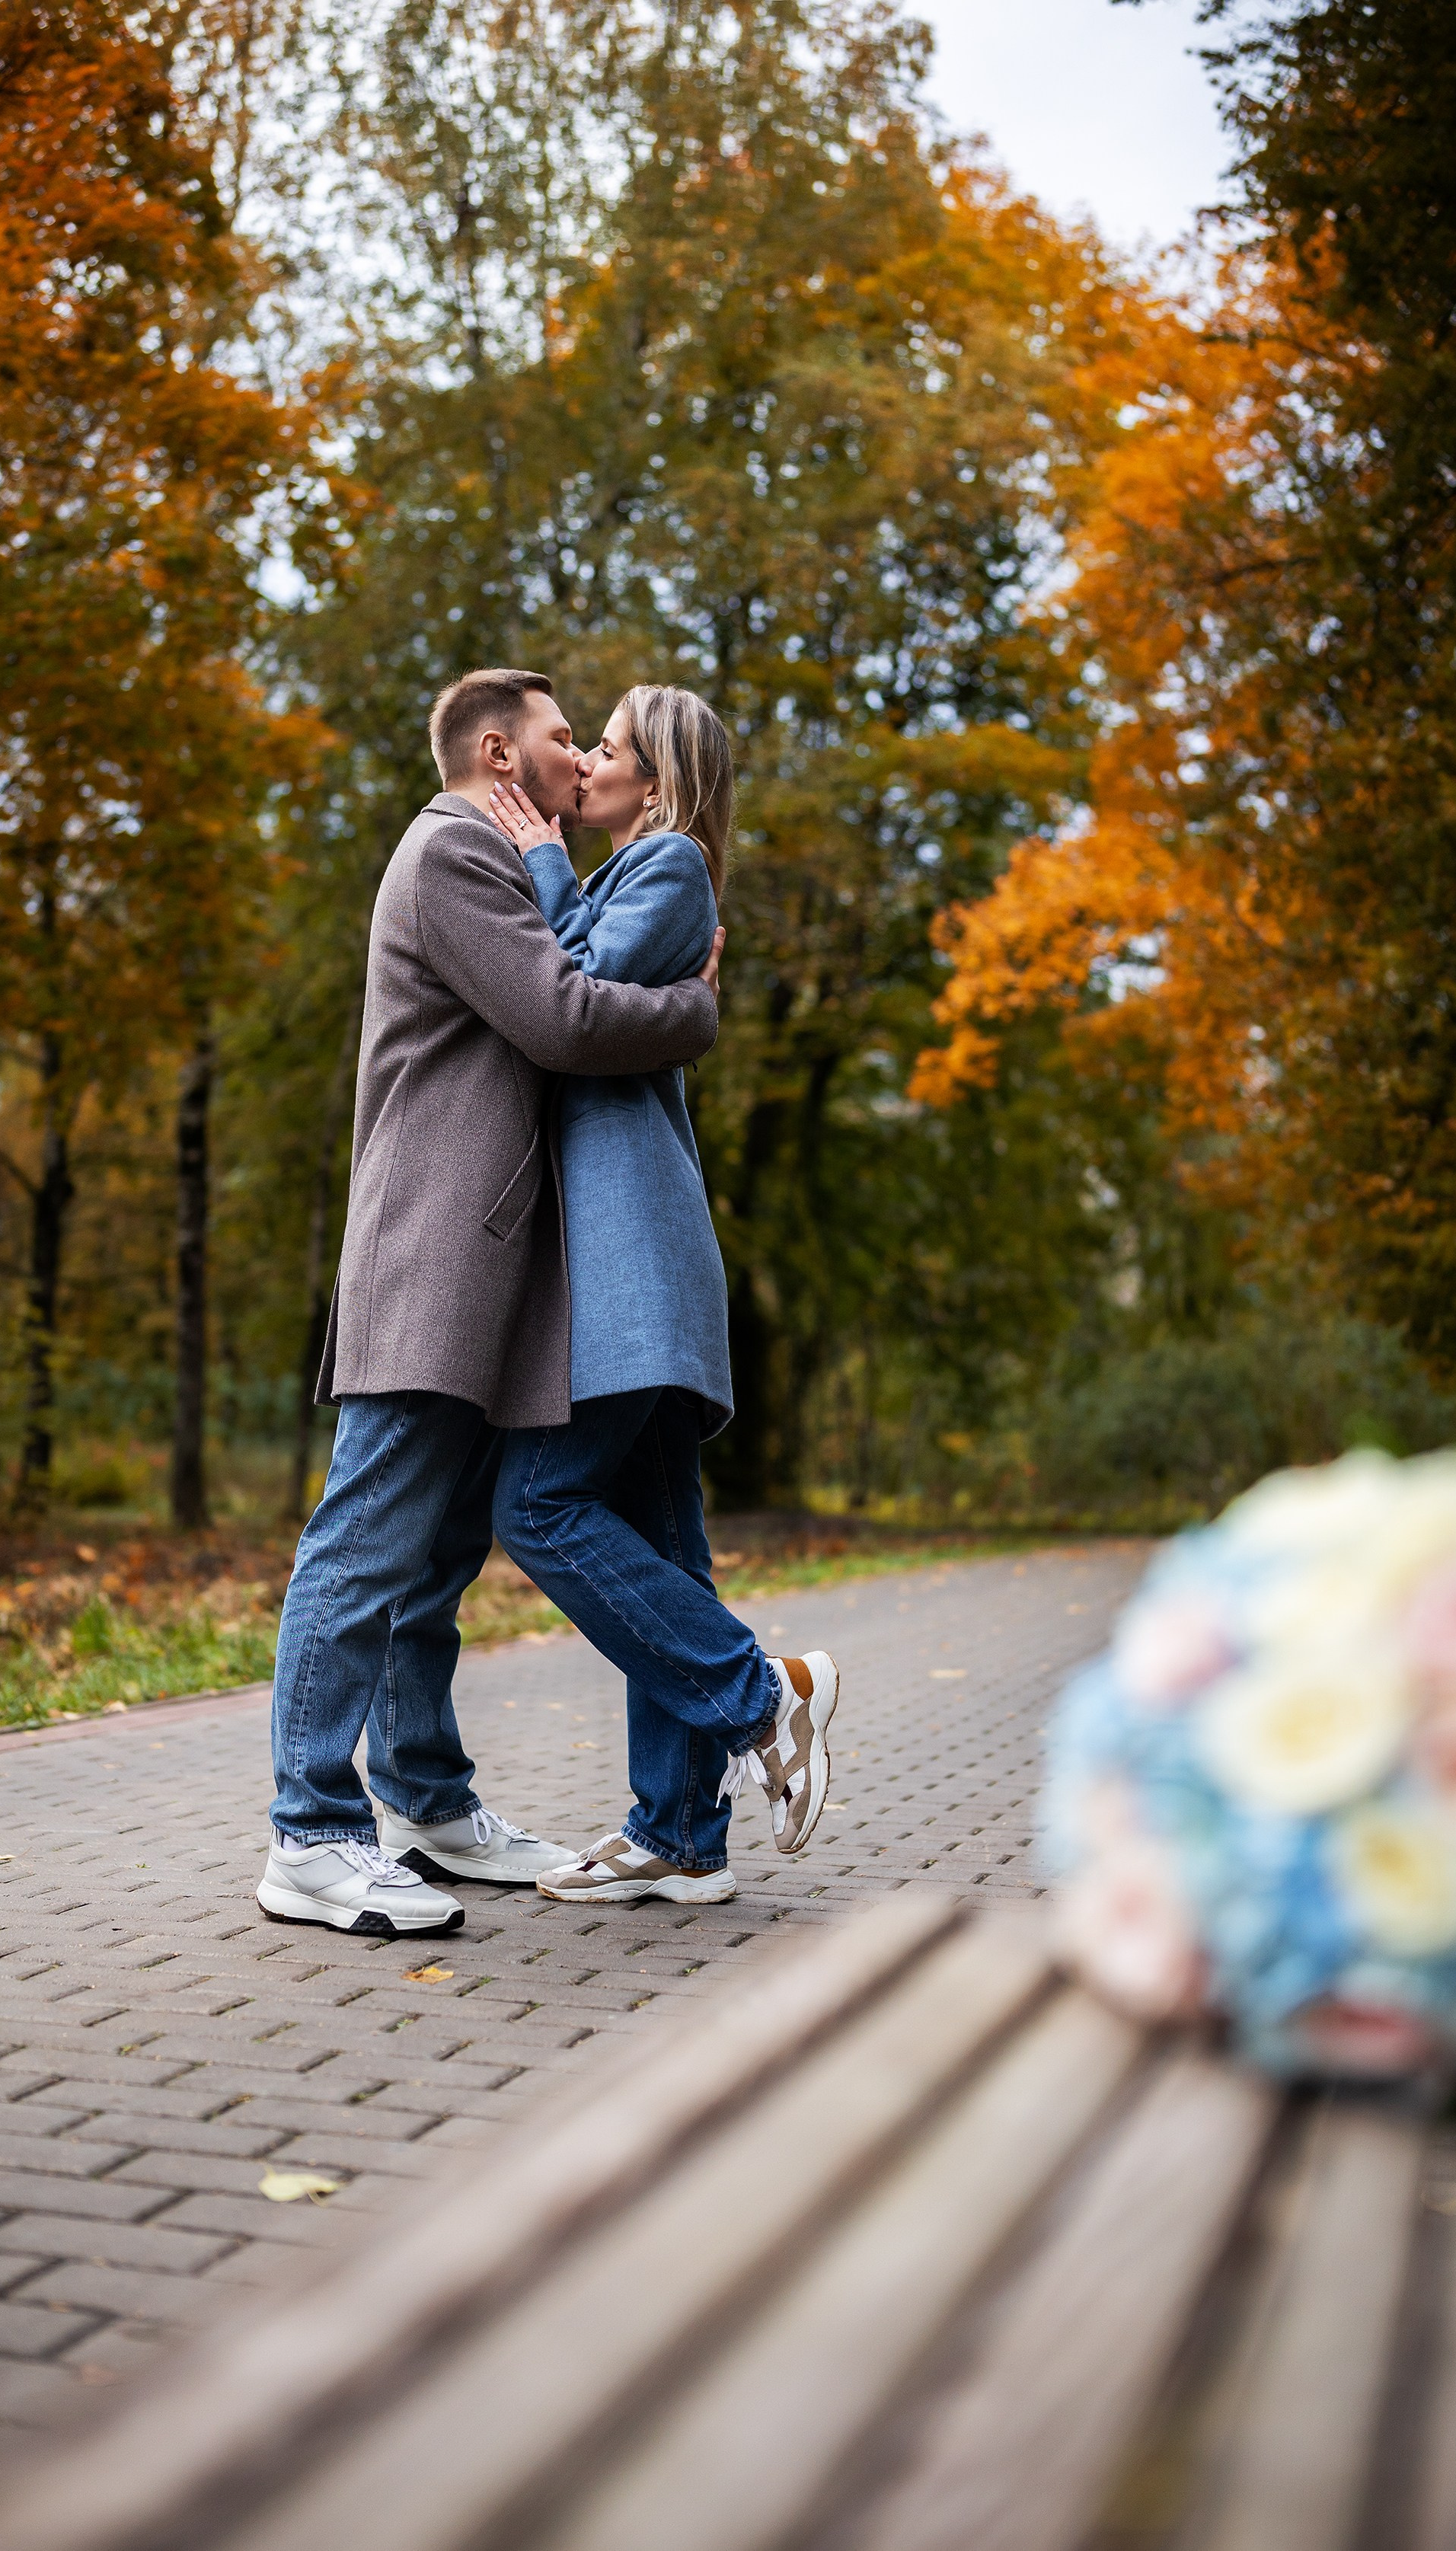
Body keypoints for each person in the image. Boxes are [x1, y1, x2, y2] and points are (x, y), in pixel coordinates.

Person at [257, 669, 723, 1942]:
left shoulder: (504, 861)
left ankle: (424, 1800)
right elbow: (562, 1017)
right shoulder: (458, 849)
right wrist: (693, 1007)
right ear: (497, 752)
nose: (582, 761)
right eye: (564, 739)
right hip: (435, 1254)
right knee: (365, 1538)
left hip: (488, 1267)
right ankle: (309, 1831)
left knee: (437, 1554)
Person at [485, 685, 840, 1906]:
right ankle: (680, 1831)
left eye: (610, 749)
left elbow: (560, 993)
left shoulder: (671, 865)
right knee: (661, 1546)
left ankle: (760, 1694)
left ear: (662, 783)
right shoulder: (641, 872)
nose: (584, 760)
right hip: (644, 1270)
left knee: (538, 1506)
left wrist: (537, 857)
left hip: (634, 1272)